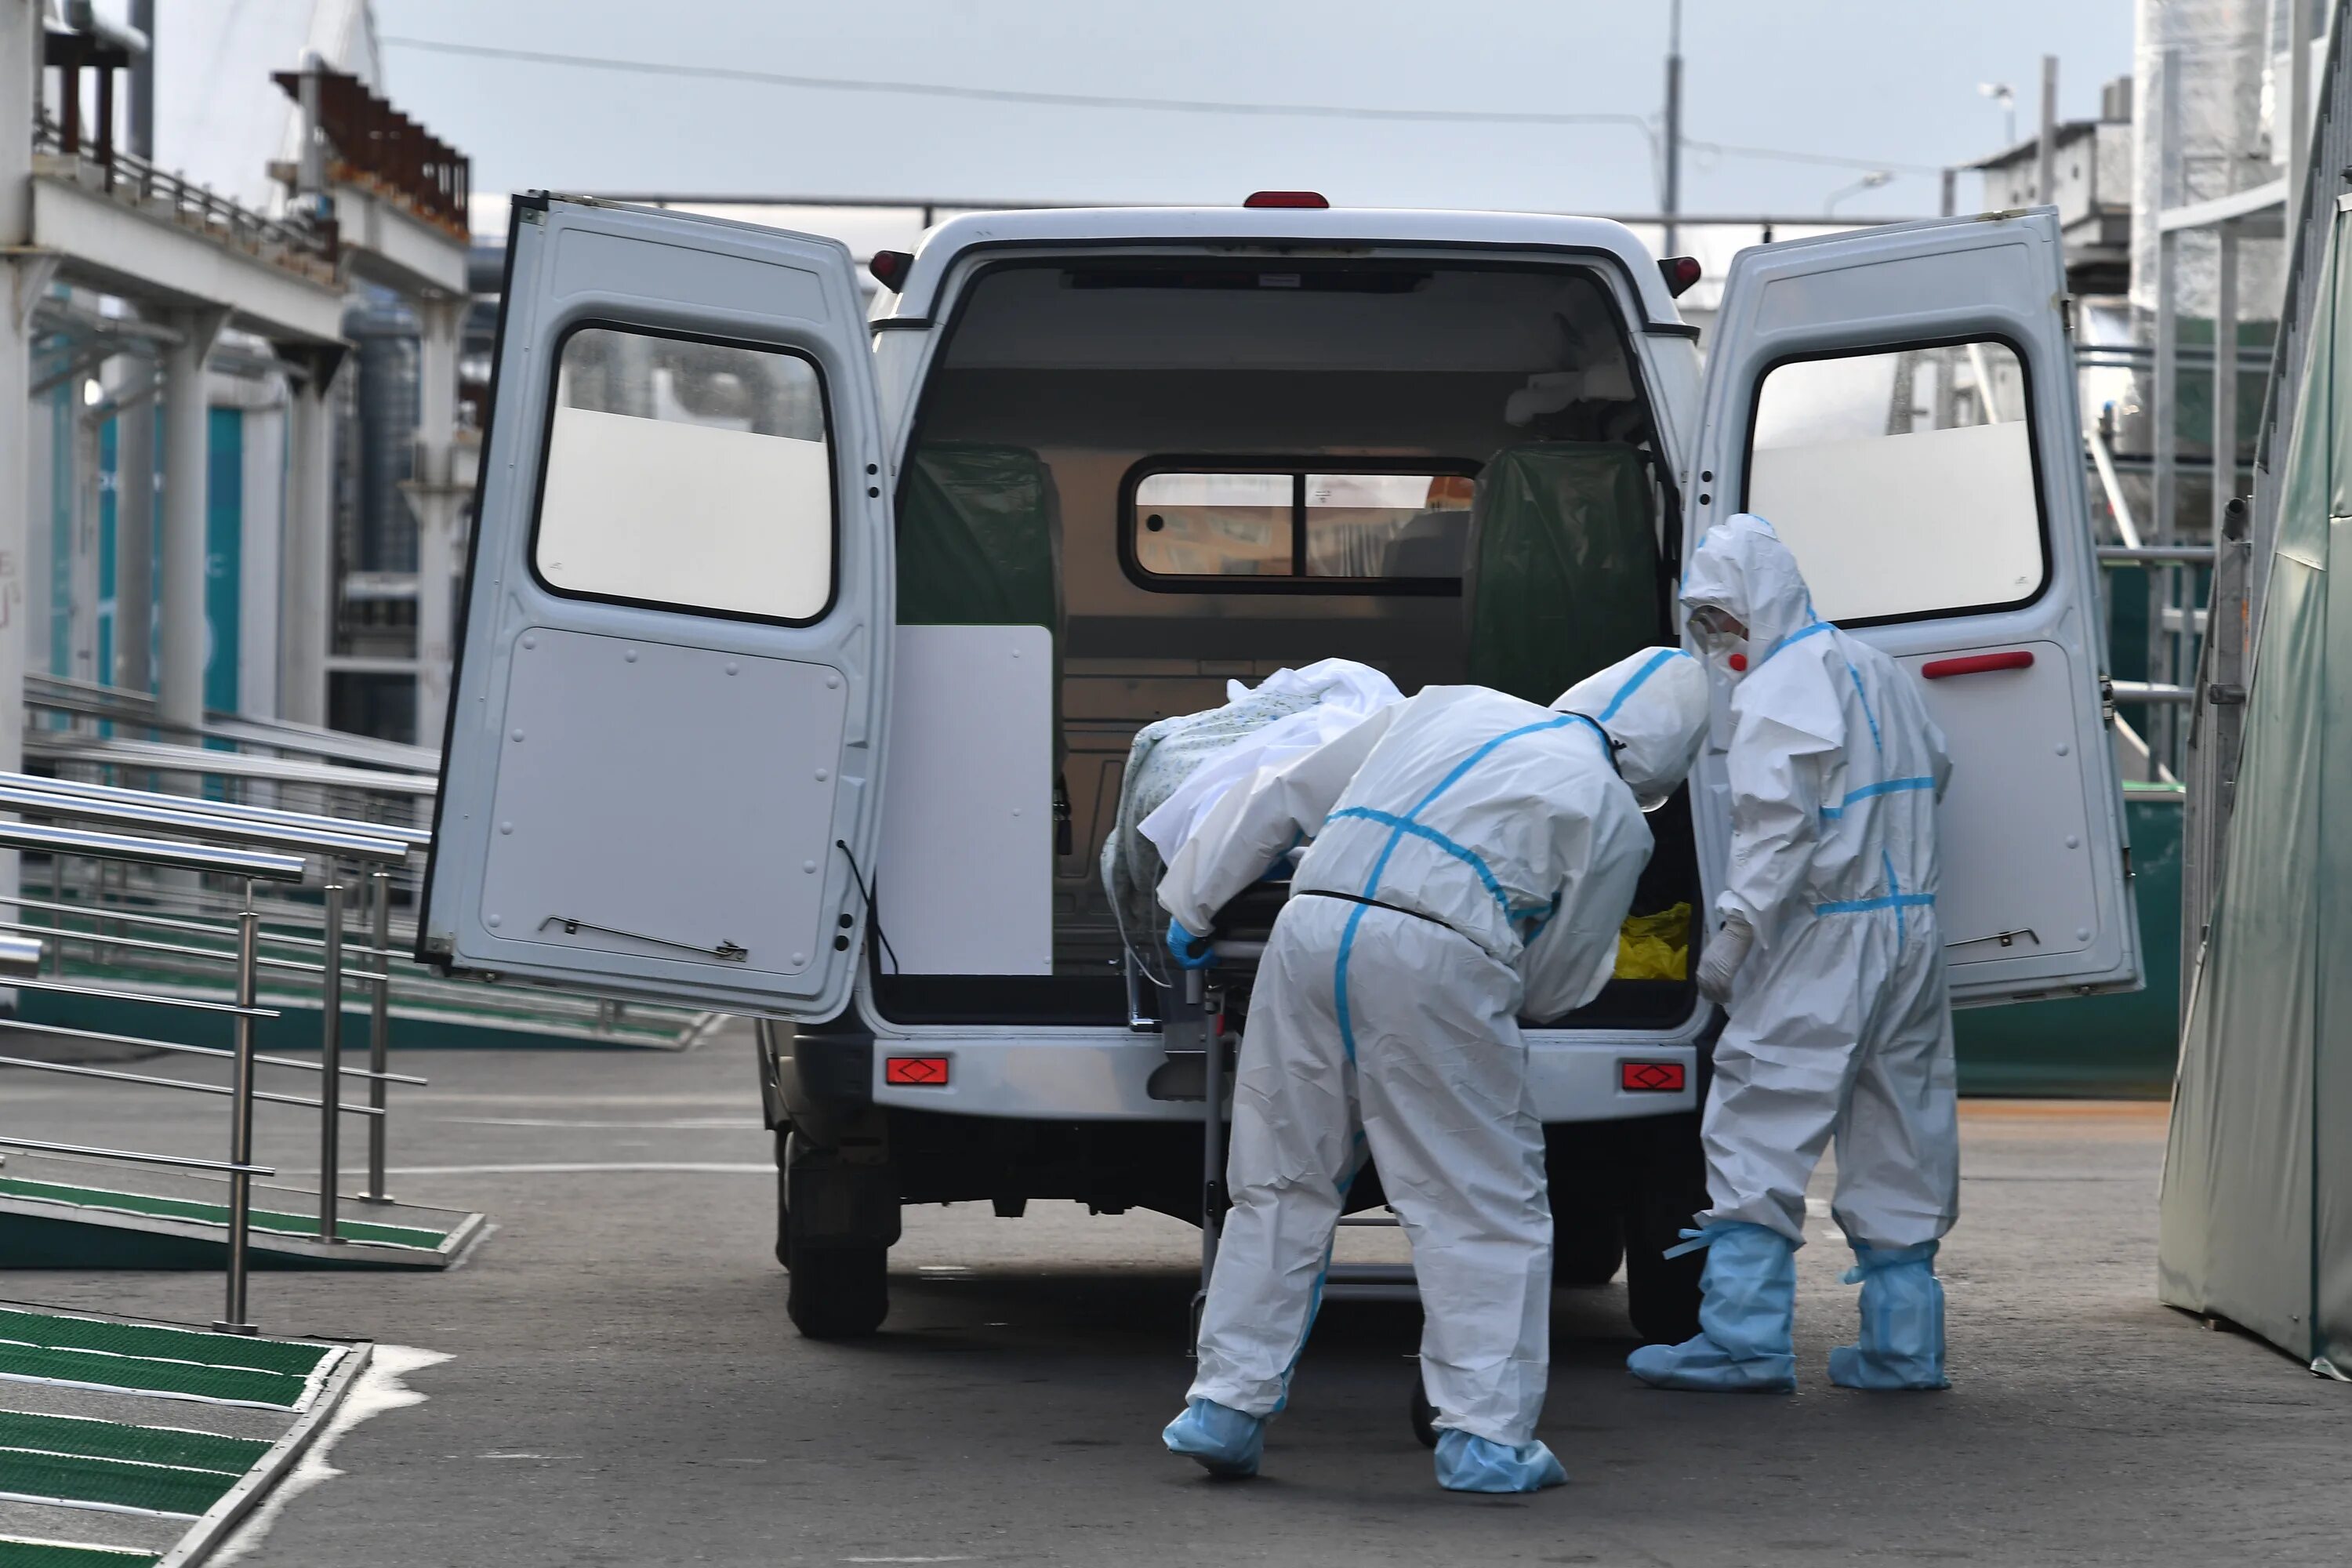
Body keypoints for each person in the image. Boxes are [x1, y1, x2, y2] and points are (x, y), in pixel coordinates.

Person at [1153, 647, 1710, 1491]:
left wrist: (1194, 898)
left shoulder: (1449, 704)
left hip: (1309, 929)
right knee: (1481, 1207)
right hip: (1443, 956)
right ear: (1663, 757)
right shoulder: (1611, 809)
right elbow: (1563, 973)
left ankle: (1224, 1407)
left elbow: (1290, 789)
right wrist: (1499, 997)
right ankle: (1485, 1437)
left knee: (1277, 1179)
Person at [1628, 513, 1957, 1396]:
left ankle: (1742, 1340)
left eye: (1724, 620)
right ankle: (1903, 1346)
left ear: (1759, 605)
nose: (1720, 641)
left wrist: (1733, 935)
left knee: (1760, 1110)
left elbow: (1780, 827)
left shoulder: (1781, 686)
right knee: (1902, 1118)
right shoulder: (1878, 668)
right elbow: (1939, 765)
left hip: (1823, 930)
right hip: (1910, 927)